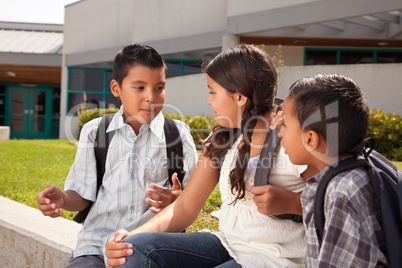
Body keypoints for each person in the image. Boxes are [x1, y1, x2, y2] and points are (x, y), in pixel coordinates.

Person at [105, 44, 313, 267]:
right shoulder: (223, 139)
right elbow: (184, 207)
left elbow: (335, 203)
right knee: (133, 250)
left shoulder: (292, 138)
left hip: (276, 258)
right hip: (227, 243)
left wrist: (292, 203)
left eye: (213, 91)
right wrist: (128, 236)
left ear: (240, 96)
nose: (209, 100)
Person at [36, 44, 198, 267]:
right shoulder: (95, 132)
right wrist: (62, 199)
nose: (151, 97)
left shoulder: (178, 135)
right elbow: (83, 194)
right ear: (116, 88)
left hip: (152, 246)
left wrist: (175, 200)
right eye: (139, 88)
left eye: (159, 87)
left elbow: (191, 204)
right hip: (96, 245)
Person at [277, 73, 388, 267]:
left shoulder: (340, 192)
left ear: (310, 139)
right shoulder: (351, 171)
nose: (279, 132)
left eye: (285, 124)